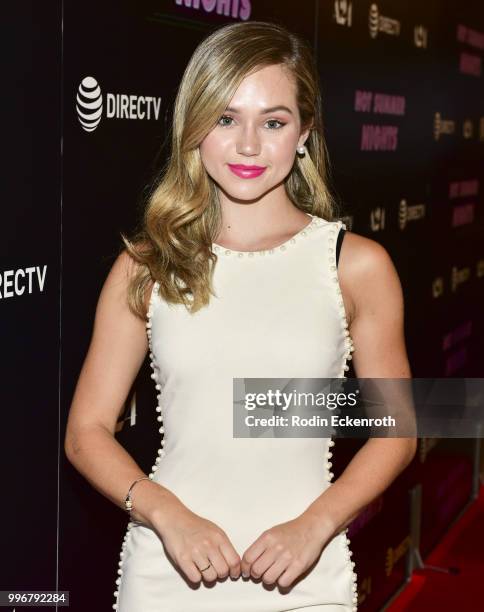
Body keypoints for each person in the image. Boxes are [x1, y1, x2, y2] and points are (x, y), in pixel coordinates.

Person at [64, 20, 416, 612]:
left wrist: (315, 525)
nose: (249, 144)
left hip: (306, 578)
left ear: (304, 133)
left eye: (273, 121)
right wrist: (167, 514)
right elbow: (86, 432)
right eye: (226, 118)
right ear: (194, 126)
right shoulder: (147, 265)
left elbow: (397, 431)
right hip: (167, 576)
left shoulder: (355, 266)